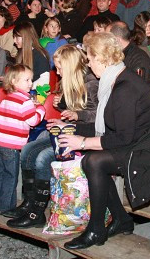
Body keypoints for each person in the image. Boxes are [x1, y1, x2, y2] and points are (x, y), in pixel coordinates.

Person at [55, 32, 150, 250]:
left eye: (90, 58)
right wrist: (71, 128)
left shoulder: (124, 87)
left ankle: (97, 228)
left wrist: (84, 142)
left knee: (93, 161)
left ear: (102, 59)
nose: (88, 63)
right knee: (94, 159)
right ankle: (121, 220)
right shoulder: (114, 80)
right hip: (141, 140)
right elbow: (108, 128)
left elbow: (122, 137)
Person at [8, 45, 98, 228]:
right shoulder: (71, 81)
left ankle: (37, 212)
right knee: (28, 150)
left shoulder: (91, 84)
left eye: (59, 67)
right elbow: (72, 111)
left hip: (84, 138)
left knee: (42, 158)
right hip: (70, 130)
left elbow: (96, 118)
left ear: (70, 66)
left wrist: (73, 119)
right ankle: (29, 202)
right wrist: (62, 108)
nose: (56, 72)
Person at [0, 64, 45, 214]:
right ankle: (5, 207)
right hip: (11, 146)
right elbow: (33, 121)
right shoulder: (25, 101)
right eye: (27, 80)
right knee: (11, 177)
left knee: (0, 173)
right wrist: (40, 109)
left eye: (31, 79)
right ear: (14, 81)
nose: (31, 83)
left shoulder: (6, 99)